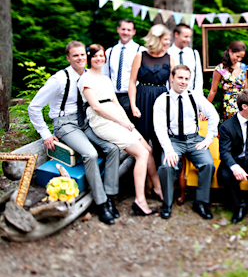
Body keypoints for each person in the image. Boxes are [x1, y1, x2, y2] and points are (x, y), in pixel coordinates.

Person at [28, 41, 120, 225]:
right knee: (91, 154)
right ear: (68, 58)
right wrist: (45, 134)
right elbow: (34, 107)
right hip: (66, 124)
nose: (80, 58)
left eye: (82, 55)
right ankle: (100, 204)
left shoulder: (89, 76)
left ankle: (110, 196)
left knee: (113, 148)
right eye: (75, 55)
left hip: (85, 121)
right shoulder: (59, 79)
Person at [78, 44, 164, 217]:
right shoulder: (85, 79)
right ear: (89, 58)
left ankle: (158, 188)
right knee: (141, 153)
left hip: (117, 117)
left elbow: (116, 103)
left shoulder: (106, 79)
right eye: (94, 56)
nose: (99, 59)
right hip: (101, 121)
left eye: (101, 55)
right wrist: (119, 121)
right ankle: (140, 200)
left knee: (147, 148)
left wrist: (126, 121)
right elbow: (96, 107)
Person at [154, 65, 219, 220]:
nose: (183, 82)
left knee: (208, 164)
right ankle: (167, 203)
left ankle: (201, 202)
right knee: (166, 166)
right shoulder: (162, 100)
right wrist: (168, 149)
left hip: (195, 139)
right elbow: (160, 128)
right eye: (180, 78)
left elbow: (213, 115)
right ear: (172, 78)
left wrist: (208, 138)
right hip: (174, 141)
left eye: (186, 79)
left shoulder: (195, 96)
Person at [128, 24, 174, 167]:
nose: (168, 43)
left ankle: (161, 177)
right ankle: (144, 179)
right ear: (156, 39)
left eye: (168, 40)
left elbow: (173, 85)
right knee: (141, 140)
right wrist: (133, 105)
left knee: (160, 139)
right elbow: (131, 82)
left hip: (161, 99)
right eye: (165, 39)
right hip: (142, 99)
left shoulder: (170, 58)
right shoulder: (140, 55)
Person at [218, 89, 248, 223]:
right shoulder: (227, 127)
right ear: (245, 107)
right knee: (226, 175)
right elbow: (225, 152)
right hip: (235, 159)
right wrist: (234, 167)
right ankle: (238, 206)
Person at [102, 19, 146, 121]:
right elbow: (105, 76)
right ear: (118, 30)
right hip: (113, 96)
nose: (125, 32)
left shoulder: (140, 51)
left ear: (133, 32)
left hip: (133, 97)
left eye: (129, 30)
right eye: (123, 29)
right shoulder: (110, 52)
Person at [207, 41, 248, 120]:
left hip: (243, 103)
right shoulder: (220, 69)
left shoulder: (243, 67)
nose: (239, 59)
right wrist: (205, 109)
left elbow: (246, 88)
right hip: (229, 105)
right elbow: (213, 90)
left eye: (241, 58)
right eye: (237, 56)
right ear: (230, 52)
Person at [167, 23, 203, 95]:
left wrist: (198, 97)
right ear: (176, 35)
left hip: (190, 96)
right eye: (186, 37)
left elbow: (198, 78)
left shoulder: (194, 54)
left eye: (189, 37)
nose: (188, 40)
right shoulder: (167, 53)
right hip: (171, 96)